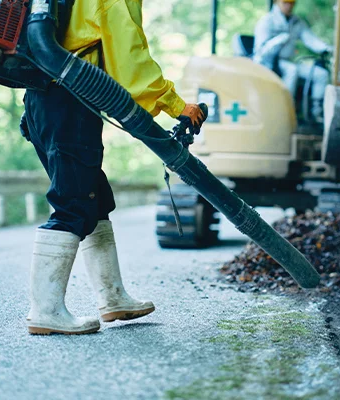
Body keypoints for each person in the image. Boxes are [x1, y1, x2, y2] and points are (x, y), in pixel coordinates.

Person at [22, 0, 206, 335]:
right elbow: (129, 55)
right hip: (69, 98)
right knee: (74, 203)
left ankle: (112, 297)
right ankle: (45, 310)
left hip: (44, 100)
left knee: (95, 198)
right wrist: (175, 104)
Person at [253, 0, 332, 122]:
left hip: (288, 61)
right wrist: (277, 41)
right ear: (276, 3)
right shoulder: (267, 21)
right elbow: (261, 52)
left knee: (321, 74)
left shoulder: (297, 22)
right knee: (292, 70)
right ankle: (286, 110)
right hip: (268, 64)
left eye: (292, 3)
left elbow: (310, 39)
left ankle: (316, 113)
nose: (289, 6)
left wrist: (326, 48)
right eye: (285, 2)